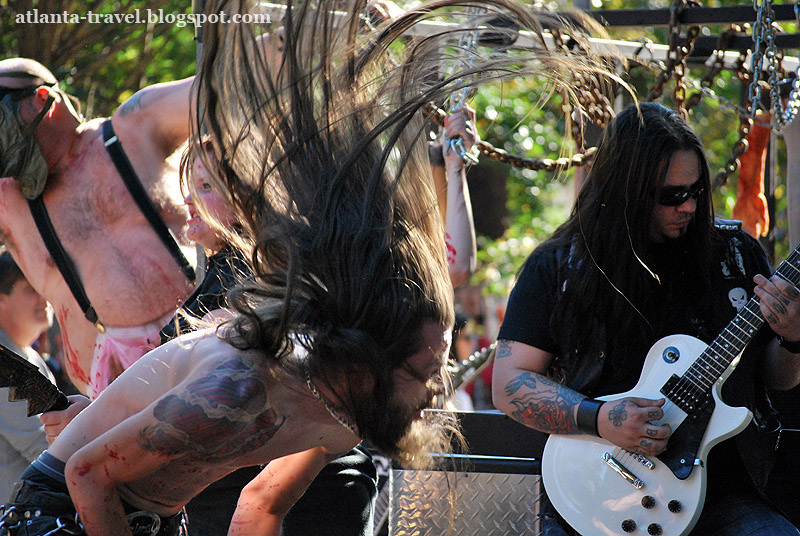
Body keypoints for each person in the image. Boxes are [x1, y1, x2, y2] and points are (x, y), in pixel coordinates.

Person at [492, 102, 800, 535]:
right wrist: (600, 419)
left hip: (724, 494)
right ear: (626, 190)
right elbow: (509, 383)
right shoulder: (560, 265)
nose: (689, 206)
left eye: (696, 191)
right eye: (671, 195)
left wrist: (793, 340)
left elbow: (777, 378)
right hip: (594, 491)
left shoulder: (735, 255)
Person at [0, 57, 195, 397]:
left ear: (42, 99)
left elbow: (225, 83)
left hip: (206, 349)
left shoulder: (133, 128)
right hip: (114, 398)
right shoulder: (8, 202)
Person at [0, 248, 55, 501]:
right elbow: (47, 450)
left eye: (45, 286)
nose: (44, 297)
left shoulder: (26, 355)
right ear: (2, 300)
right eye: (31, 289)